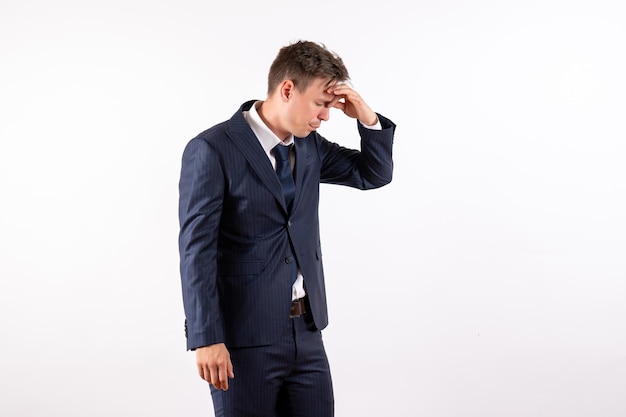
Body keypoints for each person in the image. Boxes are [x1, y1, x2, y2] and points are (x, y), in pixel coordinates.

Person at [178, 40, 396, 417]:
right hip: (243, 340)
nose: (326, 116)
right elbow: (197, 251)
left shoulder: (309, 147)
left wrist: (367, 117)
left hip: (308, 333)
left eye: (330, 105)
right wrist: (206, 337)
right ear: (287, 89)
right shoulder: (212, 149)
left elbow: (372, 174)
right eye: (320, 104)